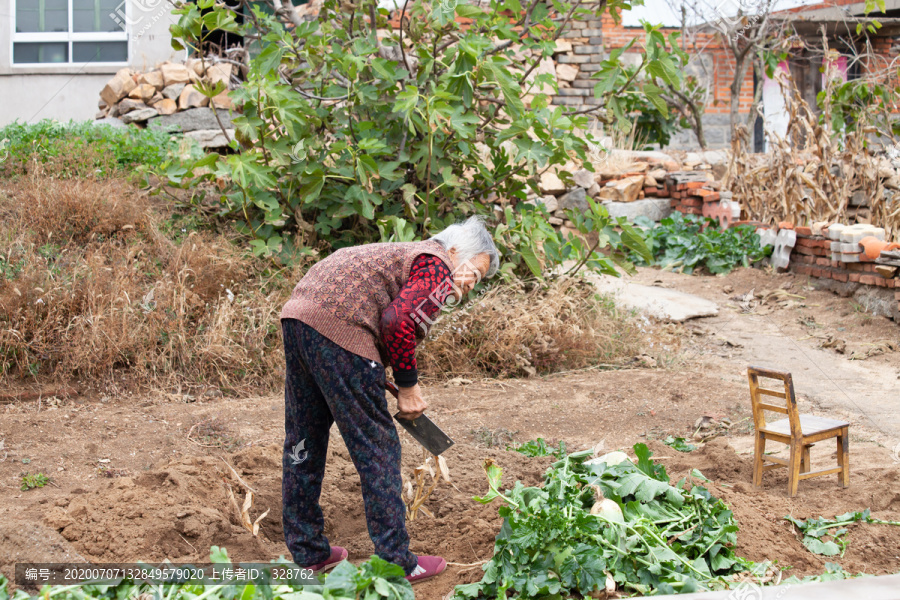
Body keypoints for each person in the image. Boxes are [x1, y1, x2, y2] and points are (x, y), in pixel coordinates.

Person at [279, 216, 500, 583]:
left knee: (303, 439)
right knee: (378, 447)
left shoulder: (401, 255)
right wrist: (409, 386)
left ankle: (308, 553)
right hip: (340, 329)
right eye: (473, 274)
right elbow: (397, 321)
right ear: (456, 250)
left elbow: (374, 311)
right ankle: (398, 561)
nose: (467, 287)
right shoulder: (437, 262)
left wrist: (370, 365)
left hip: (298, 318)